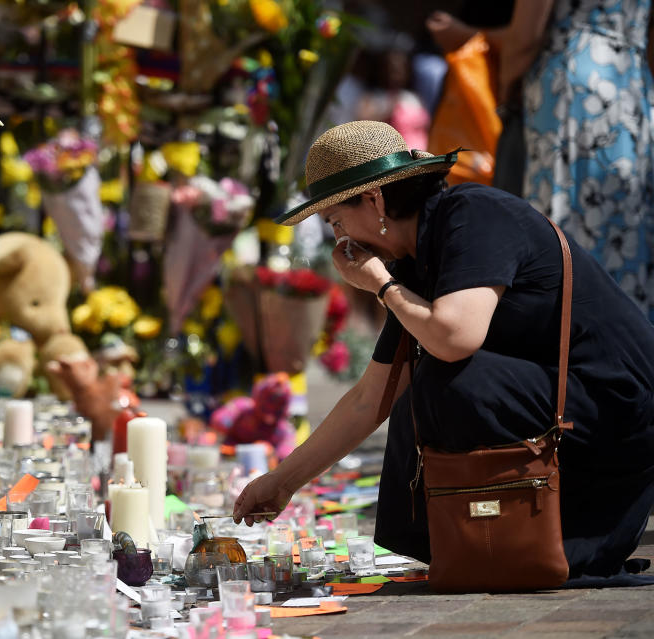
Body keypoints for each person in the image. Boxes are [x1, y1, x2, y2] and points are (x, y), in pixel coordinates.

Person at [233, 121, 654, 580]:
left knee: (447, 380)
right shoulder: (414, 262)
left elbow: (455, 338)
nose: (341, 241)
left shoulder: (472, 214)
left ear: (374, 200)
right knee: (420, 386)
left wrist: (382, 286)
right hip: (566, 407)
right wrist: (281, 483)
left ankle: (517, 535)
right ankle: (481, 540)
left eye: (336, 221)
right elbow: (370, 397)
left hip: (619, 409)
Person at [497, 0, 654, 320]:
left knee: (558, 223)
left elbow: (525, 35)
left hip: (572, 85)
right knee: (624, 228)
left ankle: (560, 340)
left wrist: (504, 89)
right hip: (632, 86)